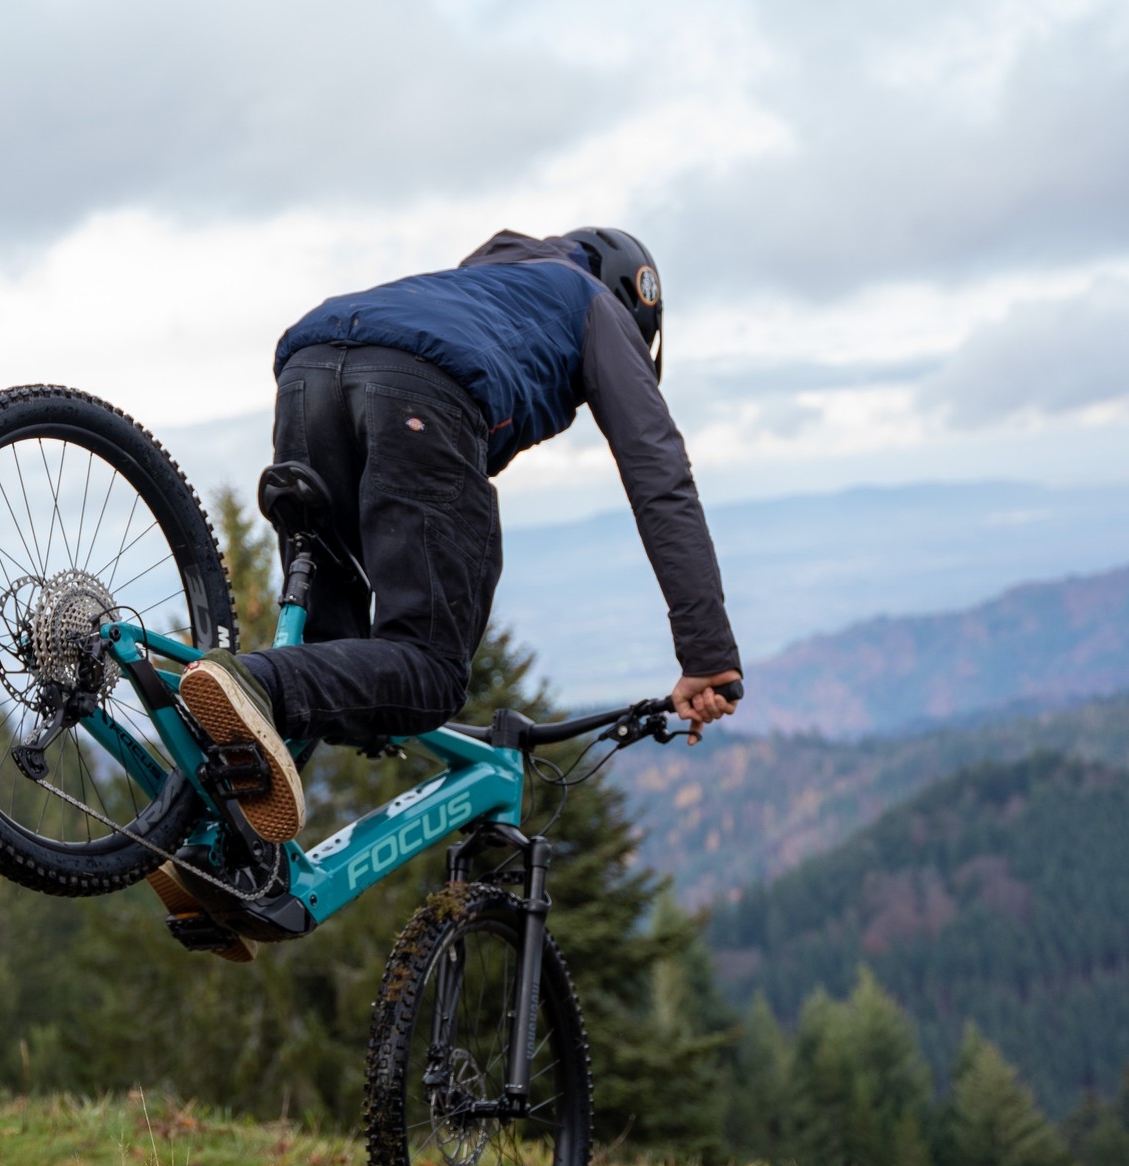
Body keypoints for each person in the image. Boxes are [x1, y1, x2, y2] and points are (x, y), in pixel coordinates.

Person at [175, 227, 742, 844]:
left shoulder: (480, 286)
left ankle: (213, 847)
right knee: (427, 672)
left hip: (307, 368)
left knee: (333, 661)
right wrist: (707, 656)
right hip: (418, 389)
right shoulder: (593, 303)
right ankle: (251, 681)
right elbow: (659, 475)